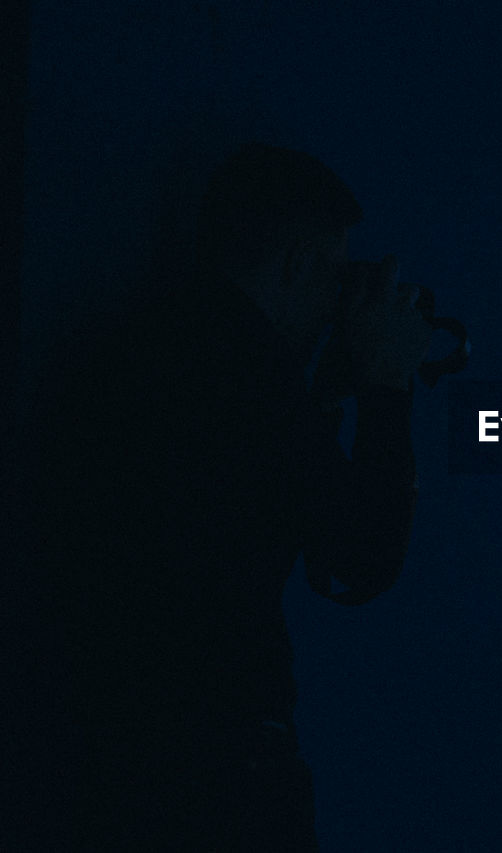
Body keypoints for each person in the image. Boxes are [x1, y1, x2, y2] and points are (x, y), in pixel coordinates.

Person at [15, 144, 433, 850]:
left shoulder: (144, 351)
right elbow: (362, 553)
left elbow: (253, 500)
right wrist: (388, 381)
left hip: (94, 758)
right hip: (217, 776)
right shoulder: (250, 379)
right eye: (333, 273)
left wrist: (322, 394)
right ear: (299, 261)